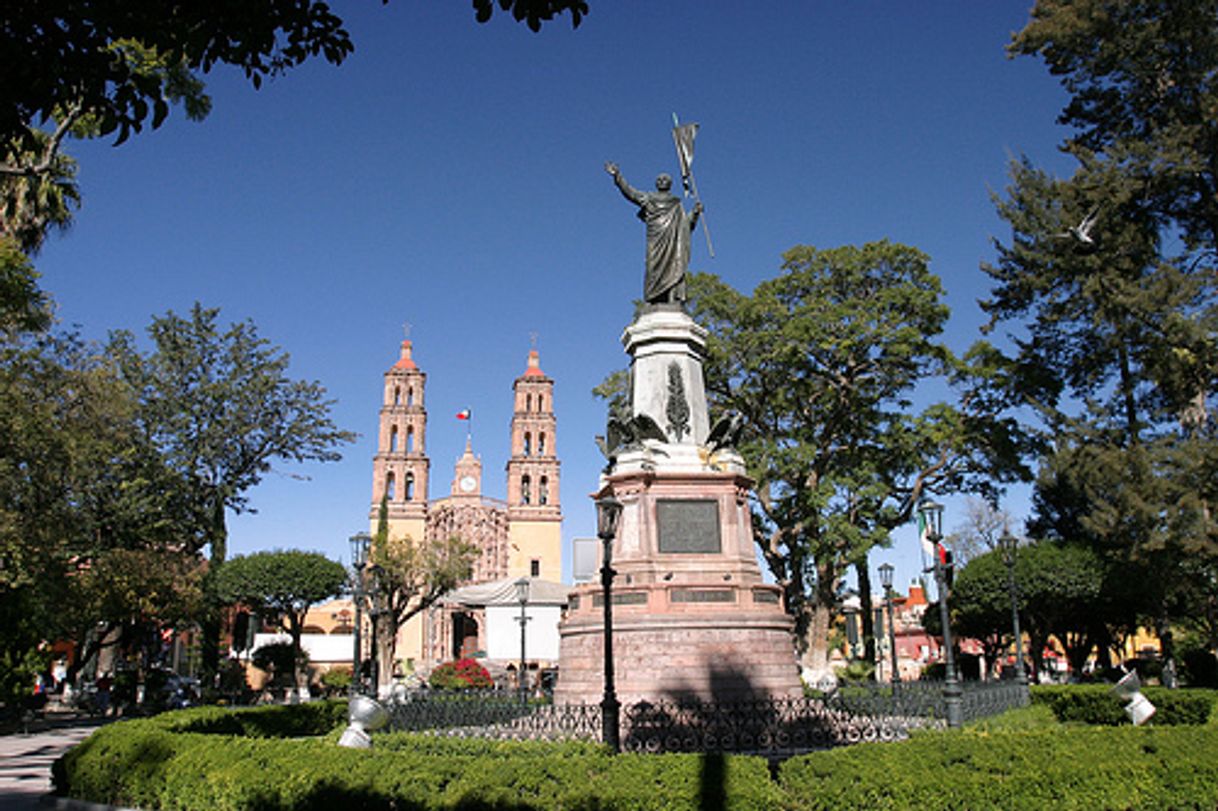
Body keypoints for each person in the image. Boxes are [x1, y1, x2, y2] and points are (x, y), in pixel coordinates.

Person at [605, 161, 703, 305]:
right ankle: (652, 300)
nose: (662, 181)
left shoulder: (676, 204)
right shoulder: (648, 198)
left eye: (665, 180)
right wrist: (617, 176)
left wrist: (695, 213)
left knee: (674, 265)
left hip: (673, 240)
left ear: (670, 184)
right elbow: (630, 192)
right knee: (652, 267)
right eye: (659, 180)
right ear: (656, 184)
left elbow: (684, 225)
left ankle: (672, 298)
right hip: (656, 240)